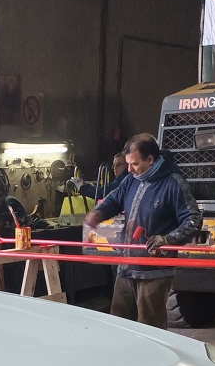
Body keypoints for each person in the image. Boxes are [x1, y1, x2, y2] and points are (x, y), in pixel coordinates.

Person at [85, 132, 200, 330]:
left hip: (154, 270)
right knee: (119, 324)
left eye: (135, 164)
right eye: (128, 164)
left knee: (150, 328)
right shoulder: (132, 179)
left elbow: (194, 220)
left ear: (150, 160)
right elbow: (114, 200)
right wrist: (97, 213)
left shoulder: (173, 183)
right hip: (127, 267)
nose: (129, 169)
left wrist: (168, 239)